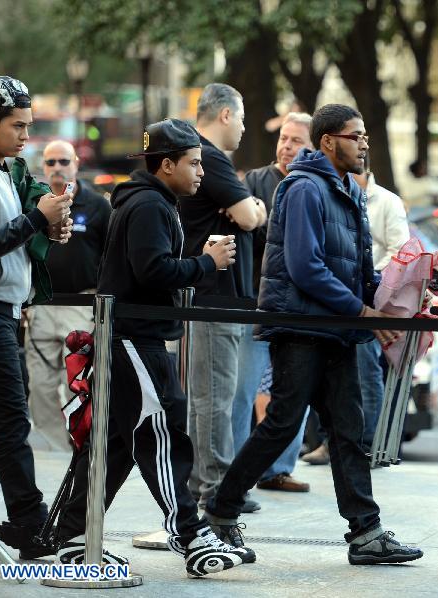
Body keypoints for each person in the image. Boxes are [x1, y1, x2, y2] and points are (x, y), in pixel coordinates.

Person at [204, 104, 422, 566]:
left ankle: (367, 532)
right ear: (328, 142)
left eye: (364, 136)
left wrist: (390, 303)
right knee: (283, 422)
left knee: (348, 431)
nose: (364, 143)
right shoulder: (303, 187)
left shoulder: (347, 189)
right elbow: (305, 267)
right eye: (355, 135)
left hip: (337, 329)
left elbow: (359, 266)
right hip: (303, 328)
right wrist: (361, 310)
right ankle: (220, 515)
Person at [53, 118, 254, 577]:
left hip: (129, 338)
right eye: (194, 163)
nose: (202, 172)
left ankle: (68, 536)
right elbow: (153, 270)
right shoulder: (148, 205)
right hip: (133, 341)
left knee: (115, 447)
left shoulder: (150, 201)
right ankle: (193, 537)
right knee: (162, 434)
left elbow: (151, 267)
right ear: (167, 165)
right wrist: (206, 263)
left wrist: (194, 258)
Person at [0, 75, 72, 559]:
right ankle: (31, 526)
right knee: (12, 424)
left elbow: (5, 241)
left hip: (0, 312)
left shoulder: (1, 170)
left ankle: (28, 524)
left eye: (29, 126)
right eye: (17, 125)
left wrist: (47, 228)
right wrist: (38, 218)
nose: (25, 136)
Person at [179, 83, 266, 511]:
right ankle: (213, 485)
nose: (246, 129)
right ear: (226, 115)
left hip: (213, 295)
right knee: (215, 394)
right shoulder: (210, 157)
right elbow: (249, 217)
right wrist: (253, 206)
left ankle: (203, 481)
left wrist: (245, 205)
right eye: (244, 119)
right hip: (216, 295)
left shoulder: (203, 157)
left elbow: (242, 211)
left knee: (208, 394)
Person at [239, 111, 313, 493]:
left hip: (300, 306)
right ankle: (242, 472)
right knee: (248, 387)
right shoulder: (256, 180)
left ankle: (280, 469)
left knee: (292, 387)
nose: (286, 146)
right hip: (258, 301)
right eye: (283, 138)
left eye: (296, 140)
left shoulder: (317, 183)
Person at [25, 140, 110, 451]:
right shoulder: (35, 204)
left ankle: (82, 445)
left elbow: (110, 257)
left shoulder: (98, 205)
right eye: (51, 163)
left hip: (81, 304)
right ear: (44, 168)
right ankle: (55, 451)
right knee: (41, 384)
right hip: (42, 303)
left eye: (63, 161)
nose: (57, 167)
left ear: (75, 163)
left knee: (77, 383)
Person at [352, 157, 410, 451]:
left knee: (367, 372)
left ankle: (368, 443)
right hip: (343, 296)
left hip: (373, 298)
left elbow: (401, 250)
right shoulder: (336, 193)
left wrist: (369, 277)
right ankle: (336, 440)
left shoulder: (387, 201)